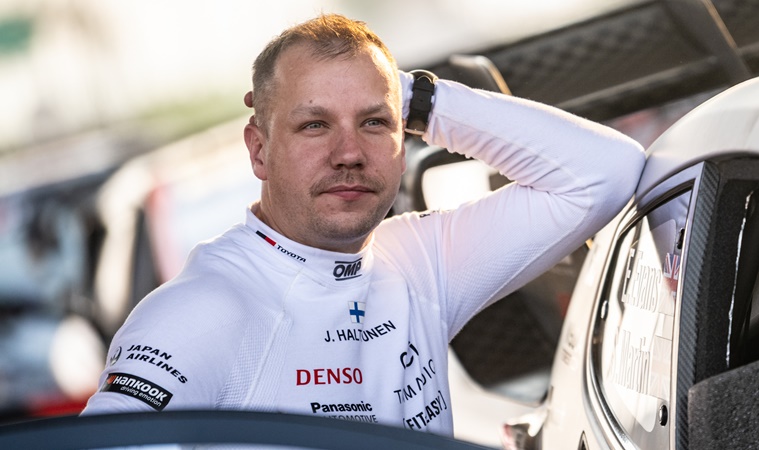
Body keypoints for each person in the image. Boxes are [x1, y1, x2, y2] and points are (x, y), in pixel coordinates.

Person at [82, 13, 645, 437]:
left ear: (404, 141)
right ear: (259, 151)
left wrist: (416, 96)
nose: (349, 153)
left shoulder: (418, 261)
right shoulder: (201, 311)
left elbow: (604, 172)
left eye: (375, 122)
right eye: (314, 125)